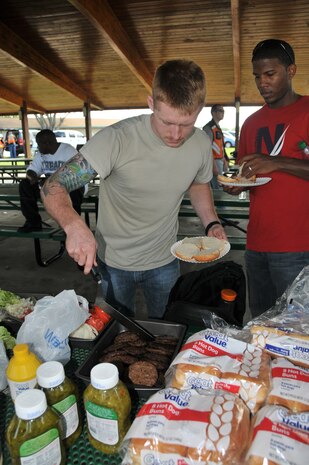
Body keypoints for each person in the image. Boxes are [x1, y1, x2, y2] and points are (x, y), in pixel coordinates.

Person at [41, 59, 226, 319]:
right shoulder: (116, 139)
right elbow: (53, 185)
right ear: (152, 104)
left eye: (186, 124)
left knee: (168, 330)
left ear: (200, 110)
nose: (175, 134)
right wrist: (74, 225)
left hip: (166, 260)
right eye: (167, 122)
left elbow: (198, 182)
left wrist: (211, 224)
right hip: (113, 263)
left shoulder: (200, 143)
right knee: (115, 335)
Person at [223, 39, 309, 318]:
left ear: (291, 71)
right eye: (257, 76)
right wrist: (238, 185)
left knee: (296, 327)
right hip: (256, 243)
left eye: (270, 74)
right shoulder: (251, 123)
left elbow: (272, 165)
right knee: (260, 320)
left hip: (298, 245)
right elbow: (246, 176)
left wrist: (277, 162)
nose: (262, 83)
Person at [18, 129, 84, 233]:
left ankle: (72, 226)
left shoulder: (68, 151)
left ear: (47, 143)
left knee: (74, 192)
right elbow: (31, 170)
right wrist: (33, 177)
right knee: (25, 185)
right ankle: (33, 223)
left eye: (39, 144)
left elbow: (78, 174)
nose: (38, 147)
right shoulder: (41, 154)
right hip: (50, 188)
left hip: (72, 186)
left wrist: (52, 182)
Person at [203, 105, 229, 189]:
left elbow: (220, 146)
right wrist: (214, 165)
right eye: (220, 110)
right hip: (214, 162)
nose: (223, 113)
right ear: (213, 113)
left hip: (220, 161)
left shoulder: (218, 128)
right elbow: (207, 149)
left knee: (219, 186)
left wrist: (224, 159)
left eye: (223, 111)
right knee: (217, 188)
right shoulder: (208, 128)